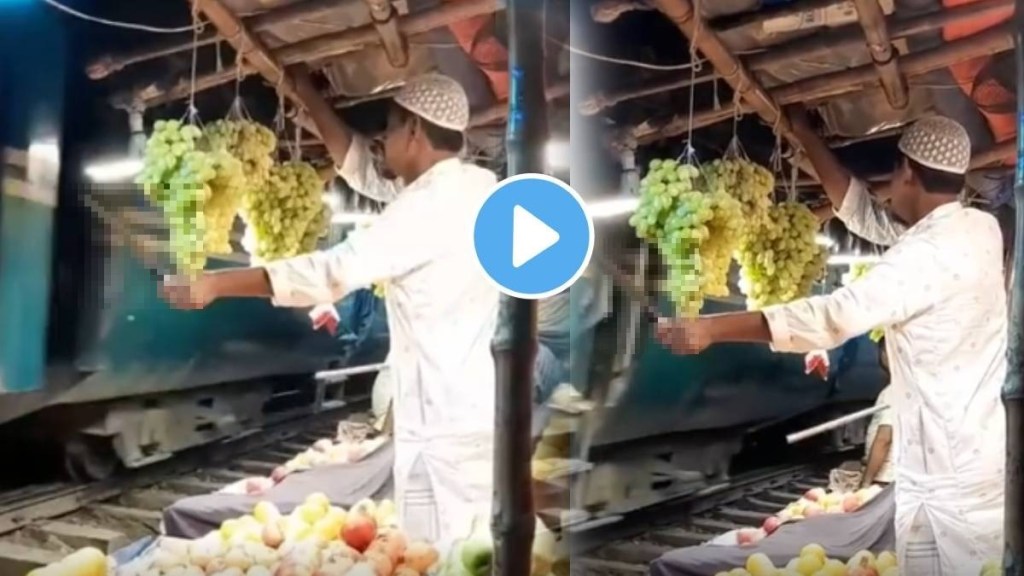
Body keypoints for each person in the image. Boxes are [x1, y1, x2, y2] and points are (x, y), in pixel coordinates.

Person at [654, 111, 1006, 576]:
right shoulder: (979, 229)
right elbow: (873, 219)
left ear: (906, 172)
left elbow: (832, 316)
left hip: (944, 483)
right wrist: (804, 136)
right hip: (983, 464)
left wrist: (710, 329)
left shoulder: (923, 257)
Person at [160, 73, 500, 551]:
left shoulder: (427, 208)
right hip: (472, 414)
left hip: (445, 430)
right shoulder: (473, 189)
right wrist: (309, 99)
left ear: (414, 134)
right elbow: (363, 170)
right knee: (464, 550)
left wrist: (217, 283)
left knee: (444, 553)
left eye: (388, 130)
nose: (381, 143)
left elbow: (331, 271)